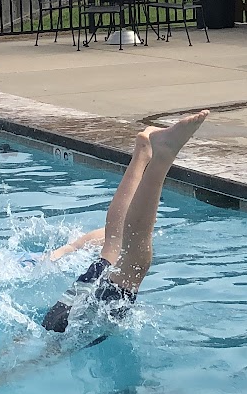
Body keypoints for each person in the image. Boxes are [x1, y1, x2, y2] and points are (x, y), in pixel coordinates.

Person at [41, 109, 209, 333]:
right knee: (114, 244)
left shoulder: (41, 348)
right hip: (62, 311)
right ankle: (142, 152)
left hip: (67, 328)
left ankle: (163, 156)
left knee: (134, 264)